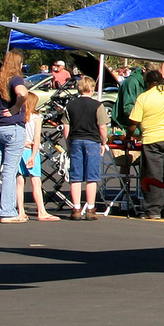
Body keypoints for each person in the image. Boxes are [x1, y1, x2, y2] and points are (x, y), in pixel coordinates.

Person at [128, 68, 164, 220]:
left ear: (147, 83)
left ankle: (153, 210)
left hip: (152, 139)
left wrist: (128, 136)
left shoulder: (144, 97)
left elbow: (134, 122)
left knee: (153, 175)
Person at [0, 52, 30, 222]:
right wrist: (16, 107)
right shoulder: (15, 78)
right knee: (9, 170)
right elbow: (22, 93)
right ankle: (6, 211)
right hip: (11, 127)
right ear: (19, 65)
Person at [63, 75, 108, 220]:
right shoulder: (97, 105)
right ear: (92, 89)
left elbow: (66, 127)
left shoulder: (70, 105)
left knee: (75, 176)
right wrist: (103, 142)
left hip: (76, 140)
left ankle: (76, 208)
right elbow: (102, 127)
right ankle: (90, 208)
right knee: (91, 176)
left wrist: (68, 143)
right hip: (92, 141)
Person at [18, 90, 60, 220]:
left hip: (19, 150)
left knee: (19, 182)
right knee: (36, 182)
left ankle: (20, 211)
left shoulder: (18, 116)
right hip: (31, 150)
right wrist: (33, 155)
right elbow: (37, 139)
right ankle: (41, 211)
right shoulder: (36, 118)